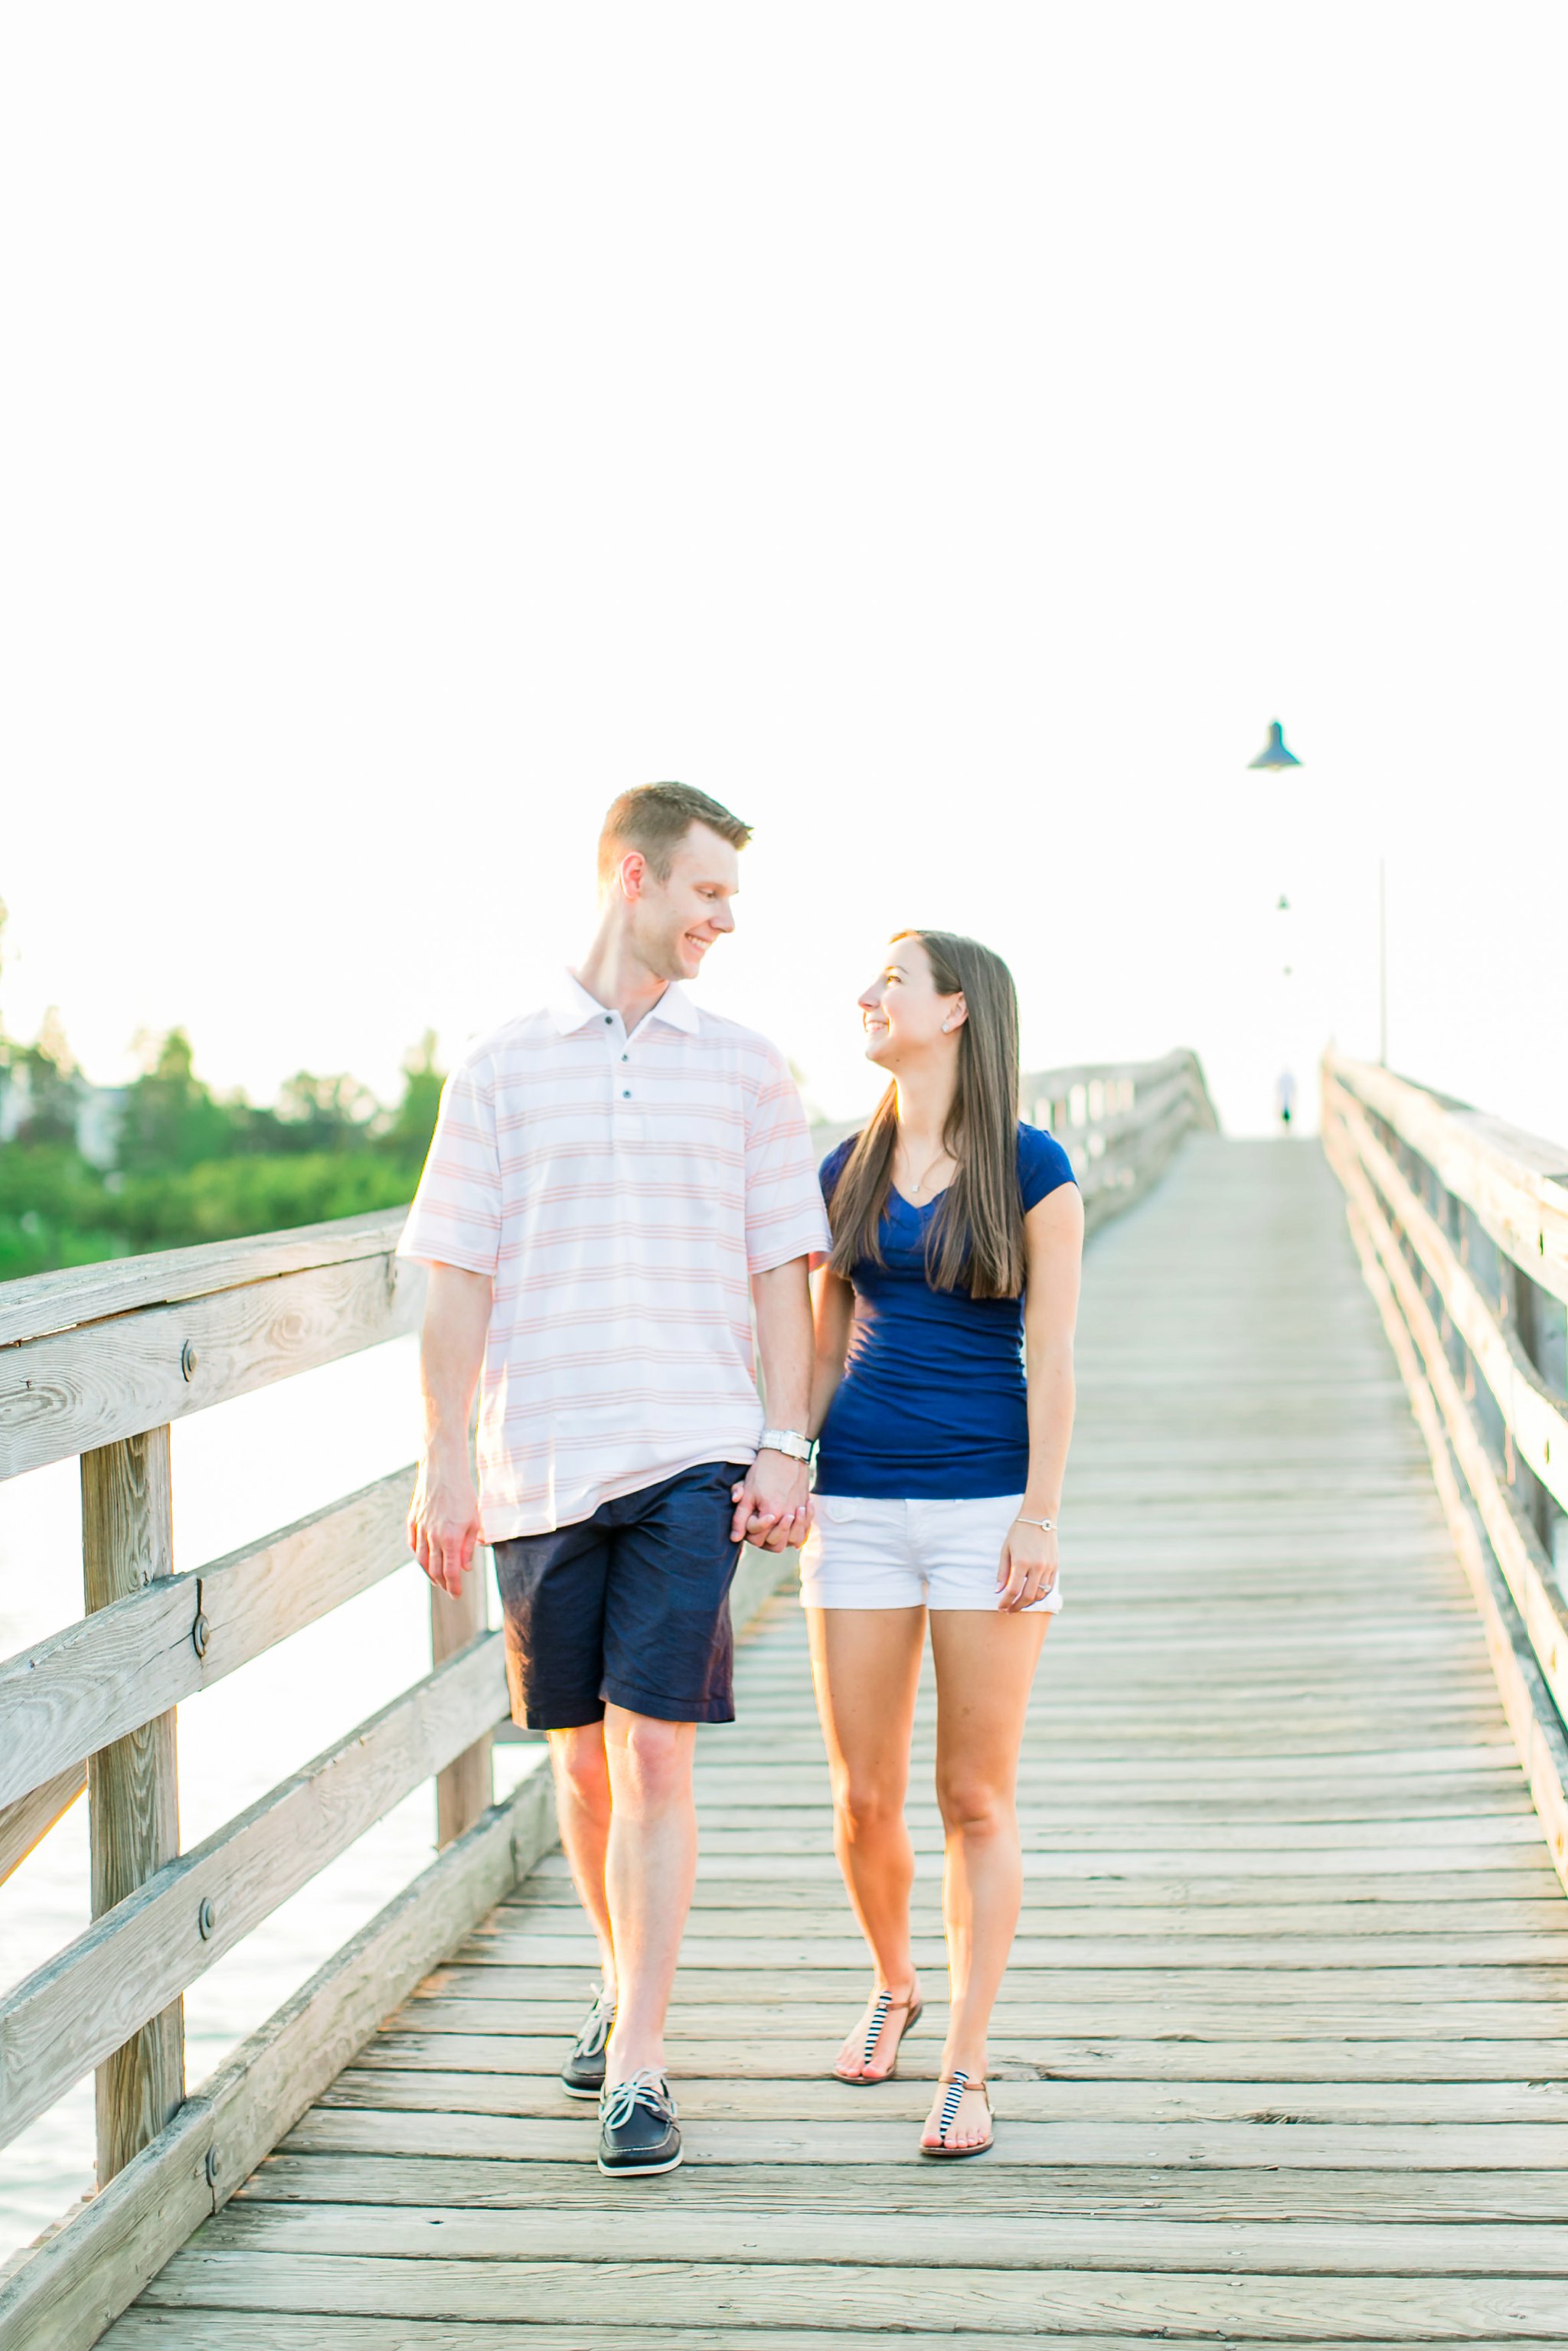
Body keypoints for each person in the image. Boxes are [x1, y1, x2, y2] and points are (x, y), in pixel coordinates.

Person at [399, 782, 827, 2178]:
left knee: (653, 1750)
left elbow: (785, 1270)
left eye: (732, 903)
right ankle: (612, 1979)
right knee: (578, 1763)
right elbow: (455, 1275)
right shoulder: (502, 1067)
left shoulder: (750, 1067)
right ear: (631, 877)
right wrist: (445, 1456)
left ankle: (640, 2061)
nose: (722, 923)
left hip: (690, 1448)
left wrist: (783, 1439)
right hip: (540, 1459)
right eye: (707, 894)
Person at [802, 930, 1083, 2157]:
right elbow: (818, 1343)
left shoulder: (1033, 1167)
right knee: (863, 1800)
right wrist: (780, 1460)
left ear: (956, 1010)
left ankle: (966, 2062)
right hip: (857, 1505)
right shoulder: (843, 1166)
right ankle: (895, 1980)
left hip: (983, 1509)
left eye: (891, 983)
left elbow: (1056, 1357)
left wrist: (1040, 1513)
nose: (867, 997)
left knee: (973, 1795)